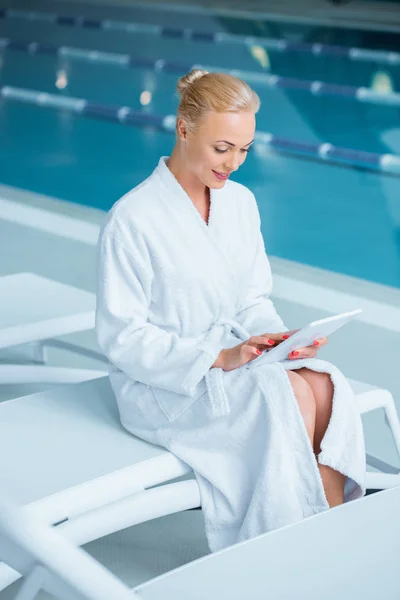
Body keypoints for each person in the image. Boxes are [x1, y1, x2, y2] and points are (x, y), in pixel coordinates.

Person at [96, 70, 366, 553]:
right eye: (223, 148)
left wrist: (279, 339)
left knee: (323, 382)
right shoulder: (132, 219)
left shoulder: (240, 203)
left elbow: (251, 299)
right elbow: (123, 338)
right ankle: (278, 543)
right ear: (183, 129)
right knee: (287, 395)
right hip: (165, 381)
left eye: (244, 149)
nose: (234, 163)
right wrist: (218, 357)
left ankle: (330, 523)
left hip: (236, 357)